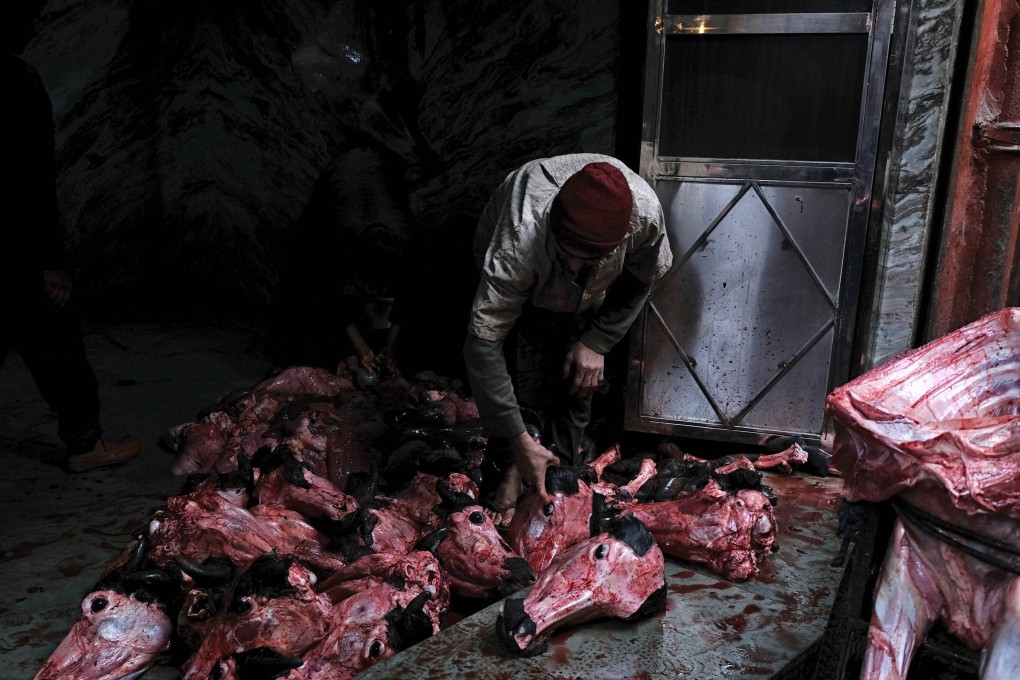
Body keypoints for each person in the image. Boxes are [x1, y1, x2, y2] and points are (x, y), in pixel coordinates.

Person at [464, 153, 673, 525]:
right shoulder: (518, 240)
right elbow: (483, 343)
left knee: (579, 381)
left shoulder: (644, 217)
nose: (574, 267)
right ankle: (512, 469)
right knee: (522, 372)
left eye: (587, 259)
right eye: (568, 256)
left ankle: (559, 482)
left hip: (592, 298)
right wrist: (517, 439)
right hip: (527, 284)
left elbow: (644, 278)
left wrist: (597, 341)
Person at [3, 18, 140, 472]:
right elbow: (30, 181)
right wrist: (47, 262)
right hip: (17, 250)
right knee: (54, 338)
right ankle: (84, 443)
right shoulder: (16, 81)